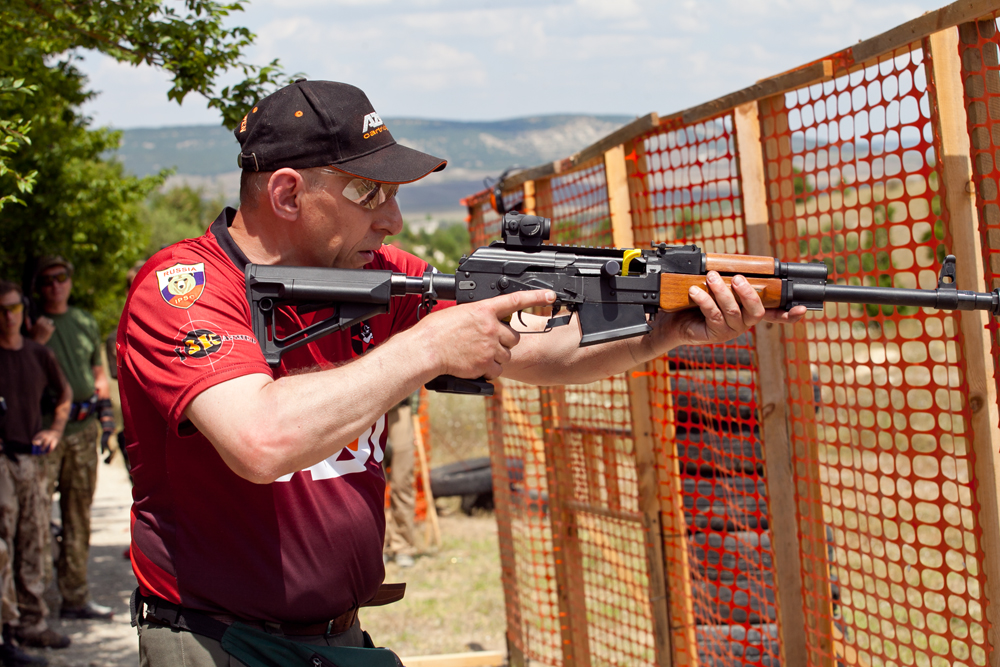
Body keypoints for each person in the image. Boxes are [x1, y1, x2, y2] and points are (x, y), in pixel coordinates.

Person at [118, 80, 805, 667]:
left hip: (337, 636)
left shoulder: (378, 275)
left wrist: (663, 329)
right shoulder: (185, 289)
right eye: (369, 192)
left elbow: (540, 348)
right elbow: (259, 439)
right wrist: (426, 348)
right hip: (217, 644)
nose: (392, 218)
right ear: (289, 193)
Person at [29, 257, 115, 622]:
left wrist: (107, 421)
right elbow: (18, 373)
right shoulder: (27, 323)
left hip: (83, 430)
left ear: (70, 280)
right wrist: (36, 341)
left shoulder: (83, 321)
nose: (55, 285)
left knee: (78, 515)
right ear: (38, 287)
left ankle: (76, 597)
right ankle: (32, 601)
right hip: (45, 431)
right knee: (34, 518)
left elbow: (98, 372)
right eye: (46, 280)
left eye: (61, 277)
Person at [0, 280, 73, 663]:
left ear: (23, 311)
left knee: (34, 540)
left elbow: (64, 394)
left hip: (30, 460)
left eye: (13, 308)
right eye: (2, 309)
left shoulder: (35, 353)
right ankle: (7, 630)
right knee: (2, 546)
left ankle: (31, 623)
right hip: (2, 460)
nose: (8, 316)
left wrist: (55, 430)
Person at [383, 397, 418, 569]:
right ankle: (378, 547)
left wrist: (414, 407)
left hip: (400, 409)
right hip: (370, 410)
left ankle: (403, 546)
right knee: (372, 487)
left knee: (401, 484)